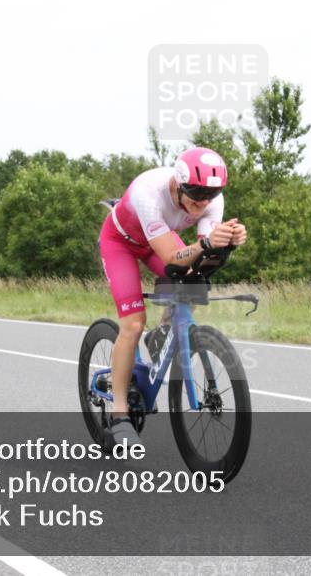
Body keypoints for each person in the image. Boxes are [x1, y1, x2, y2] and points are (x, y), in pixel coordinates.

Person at [98, 148, 247, 447]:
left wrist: (227, 244)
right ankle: (119, 413)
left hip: (157, 241)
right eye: (196, 193)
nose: (203, 202)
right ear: (178, 184)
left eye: (211, 195)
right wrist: (206, 242)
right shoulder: (149, 192)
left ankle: (163, 335)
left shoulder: (211, 201)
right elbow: (171, 255)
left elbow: (202, 257)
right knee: (133, 324)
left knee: (193, 280)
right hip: (122, 245)